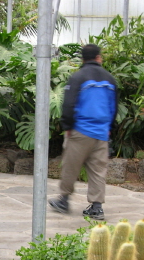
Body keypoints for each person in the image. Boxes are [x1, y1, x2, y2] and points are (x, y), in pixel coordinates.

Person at [48, 44, 118, 220]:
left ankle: (64, 200)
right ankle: (96, 207)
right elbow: (114, 106)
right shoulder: (110, 79)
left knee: (71, 166)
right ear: (98, 57)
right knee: (98, 170)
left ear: (83, 58)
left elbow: (69, 104)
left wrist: (67, 126)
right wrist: (109, 128)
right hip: (102, 132)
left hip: (80, 130)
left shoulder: (78, 77)